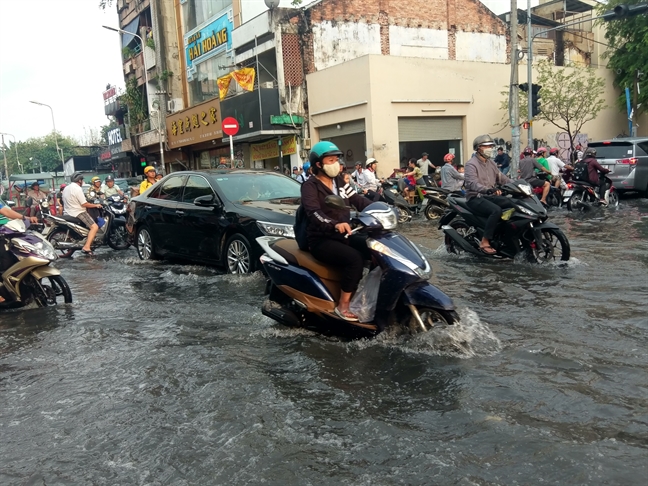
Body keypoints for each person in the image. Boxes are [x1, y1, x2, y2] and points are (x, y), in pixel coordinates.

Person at [300, 141, 371, 322]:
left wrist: (380, 208)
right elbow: (313, 212)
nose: (336, 164)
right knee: (355, 259)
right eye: (331, 160)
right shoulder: (310, 186)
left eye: (336, 160)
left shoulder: (338, 181)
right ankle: (343, 306)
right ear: (319, 164)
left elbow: (356, 199)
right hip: (322, 239)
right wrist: (334, 224)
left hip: (344, 235)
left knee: (375, 247)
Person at [464, 135, 515, 255]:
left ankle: (504, 236)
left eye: (491, 146)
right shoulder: (471, 164)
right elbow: (472, 183)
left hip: (490, 196)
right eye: (486, 146)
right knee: (496, 211)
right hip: (475, 197)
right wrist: (487, 190)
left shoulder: (491, 163)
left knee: (513, 204)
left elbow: (502, 178)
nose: (490, 148)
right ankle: (485, 241)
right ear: (478, 148)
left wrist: (520, 185)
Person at [62, 172, 102, 255]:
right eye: (82, 180)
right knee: (94, 227)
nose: (82, 182)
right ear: (79, 180)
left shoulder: (66, 188)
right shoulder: (77, 188)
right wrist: (96, 205)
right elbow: (84, 204)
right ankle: (87, 246)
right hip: (78, 212)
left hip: (67, 212)